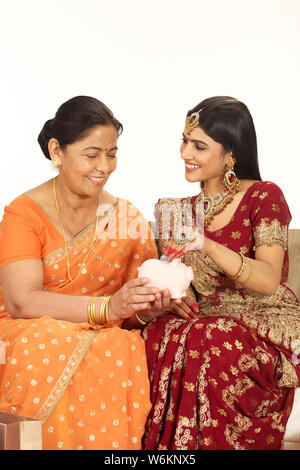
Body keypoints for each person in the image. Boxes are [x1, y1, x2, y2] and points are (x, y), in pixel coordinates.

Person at [0, 96, 172, 450]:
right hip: (27, 326)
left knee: (118, 345)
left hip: (102, 332)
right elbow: (20, 301)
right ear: (57, 151)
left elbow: (129, 314)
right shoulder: (24, 214)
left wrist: (145, 309)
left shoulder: (125, 218)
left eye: (111, 153)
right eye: (92, 154)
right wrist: (107, 308)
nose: (104, 166)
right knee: (49, 340)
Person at [142, 96, 300, 450]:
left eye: (199, 146)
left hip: (259, 324)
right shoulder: (175, 210)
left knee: (211, 337)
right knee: (158, 332)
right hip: (199, 321)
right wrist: (170, 300)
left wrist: (208, 245)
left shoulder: (264, 197)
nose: (185, 154)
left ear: (231, 153)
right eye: (184, 142)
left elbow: (269, 279)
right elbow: (169, 275)